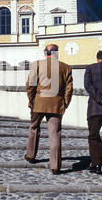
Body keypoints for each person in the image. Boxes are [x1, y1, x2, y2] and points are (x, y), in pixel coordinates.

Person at [25, 44, 73, 175]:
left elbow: (30, 85)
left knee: (34, 128)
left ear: (45, 53)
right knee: (55, 134)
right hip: (56, 103)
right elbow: (69, 89)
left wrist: (32, 100)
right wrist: (65, 103)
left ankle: (30, 155)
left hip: (39, 102)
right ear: (57, 53)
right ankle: (55, 166)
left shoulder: (37, 64)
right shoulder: (66, 67)